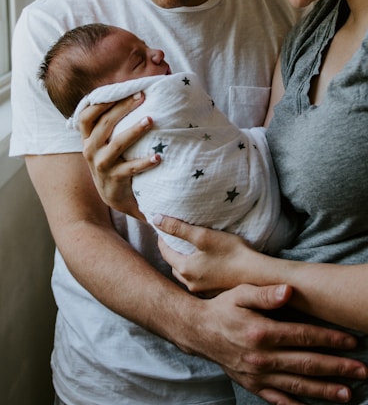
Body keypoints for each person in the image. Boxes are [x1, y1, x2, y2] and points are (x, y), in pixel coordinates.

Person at [9, 0, 367, 405]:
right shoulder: (56, 33)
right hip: (116, 386)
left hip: (265, 378)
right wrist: (200, 327)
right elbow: (79, 228)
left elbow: (303, 192)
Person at [150, 0, 368, 405]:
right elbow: (265, 193)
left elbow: (263, 259)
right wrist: (139, 189)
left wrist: (258, 275)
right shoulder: (316, 24)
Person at [39, 22, 295, 255]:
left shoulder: (280, 14)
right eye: (139, 61)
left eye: (145, 45)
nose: (157, 52)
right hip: (182, 267)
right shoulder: (45, 22)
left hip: (207, 251)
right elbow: (78, 228)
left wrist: (129, 203)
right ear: (112, 96)